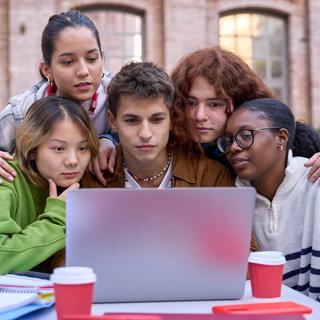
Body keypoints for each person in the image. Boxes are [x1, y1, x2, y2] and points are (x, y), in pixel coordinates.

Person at [216, 98, 320, 300]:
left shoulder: (315, 182)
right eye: (228, 141)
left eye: (246, 135)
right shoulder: (230, 201)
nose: (233, 148)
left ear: (281, 138)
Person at [170, 46, 320, 182]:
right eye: (191, 103)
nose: (200, 116)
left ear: (241, 101)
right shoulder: (171, 147)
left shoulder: (297, 140)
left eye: (214, 104)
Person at [0, 9, 114, 185]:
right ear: (47, 69)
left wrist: (110, 139)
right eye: (68, 62)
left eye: (92, 58)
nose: (84, 71)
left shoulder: (118, 96)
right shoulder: (20, 111)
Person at [82, 61, 234, 189]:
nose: (145, 134)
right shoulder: (91, 180)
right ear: (113, 121)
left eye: (156, 119)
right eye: (131, 120)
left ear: (172, 118)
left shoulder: (212, 177)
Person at [0, 96, 99, 274]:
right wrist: (56, 217)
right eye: (59, 149)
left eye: (82, 148)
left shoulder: (89, 182)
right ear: (32, 150)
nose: (73, 161)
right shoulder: (6, 179)